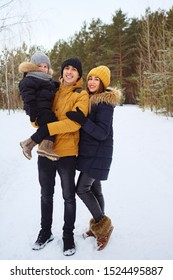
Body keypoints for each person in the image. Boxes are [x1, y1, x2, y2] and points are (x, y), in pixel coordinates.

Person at [31, 58, 89, 256]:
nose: (69, 72)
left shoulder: (81, 95)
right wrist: (36, 120)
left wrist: (48, 127)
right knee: (46, 195)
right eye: (66, 68)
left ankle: (68, 236)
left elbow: (74, 124)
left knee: (68, 197)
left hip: (66, 153)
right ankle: (45, 232)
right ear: (62, 72)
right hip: (45, 151)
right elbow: (39, 118)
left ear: (79, 74)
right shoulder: (51, 90)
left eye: (74, 69)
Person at [66, 65, 121, 250]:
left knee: (81, 189)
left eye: (96, 79)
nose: (91, 82)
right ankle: (99, 226)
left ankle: (103, 226)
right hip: (92, 153)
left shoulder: (104, 104)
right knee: (95, 189)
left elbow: (102, 133)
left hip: (98, 153)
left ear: (103, 83)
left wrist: (82, 121)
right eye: (90, 78)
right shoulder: (91, 100)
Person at [19, 50, 60, 161]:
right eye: (39, 66)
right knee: (53, 124)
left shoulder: (47, 80)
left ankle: (40, 146)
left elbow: (53, 87)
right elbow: (28, 97)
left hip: (46, 110)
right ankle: (30, 144)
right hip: (37, 109)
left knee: (52, 125)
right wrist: (33, 113)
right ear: (33, 67)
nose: (43, 68)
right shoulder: (30, 79)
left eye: (45, 66)